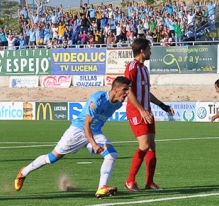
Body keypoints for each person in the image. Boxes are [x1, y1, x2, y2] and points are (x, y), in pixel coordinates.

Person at [14, 76, 131, 199]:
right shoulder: (97, 98)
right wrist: (94, 144)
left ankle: (101, 188)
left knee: (111, 154)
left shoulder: (118, 103)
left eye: (128, 89)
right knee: (52, 158)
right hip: (78, 130)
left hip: (95, 132)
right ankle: (23, 172)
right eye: (125, 89)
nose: (127, 92)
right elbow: (86, 125)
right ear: (115, 89)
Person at [124, 38, 174, 192]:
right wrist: (141, 110)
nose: (150, 51)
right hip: (136, 111)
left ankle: (149, 182)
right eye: (149, 49)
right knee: (144, 145)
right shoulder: (131, 67)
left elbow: (147, 93)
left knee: (152, 147)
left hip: (147, 111)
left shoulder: (144, 69)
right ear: (142, 51)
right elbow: (128, 91)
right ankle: (130, 181)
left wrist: (162, 105)